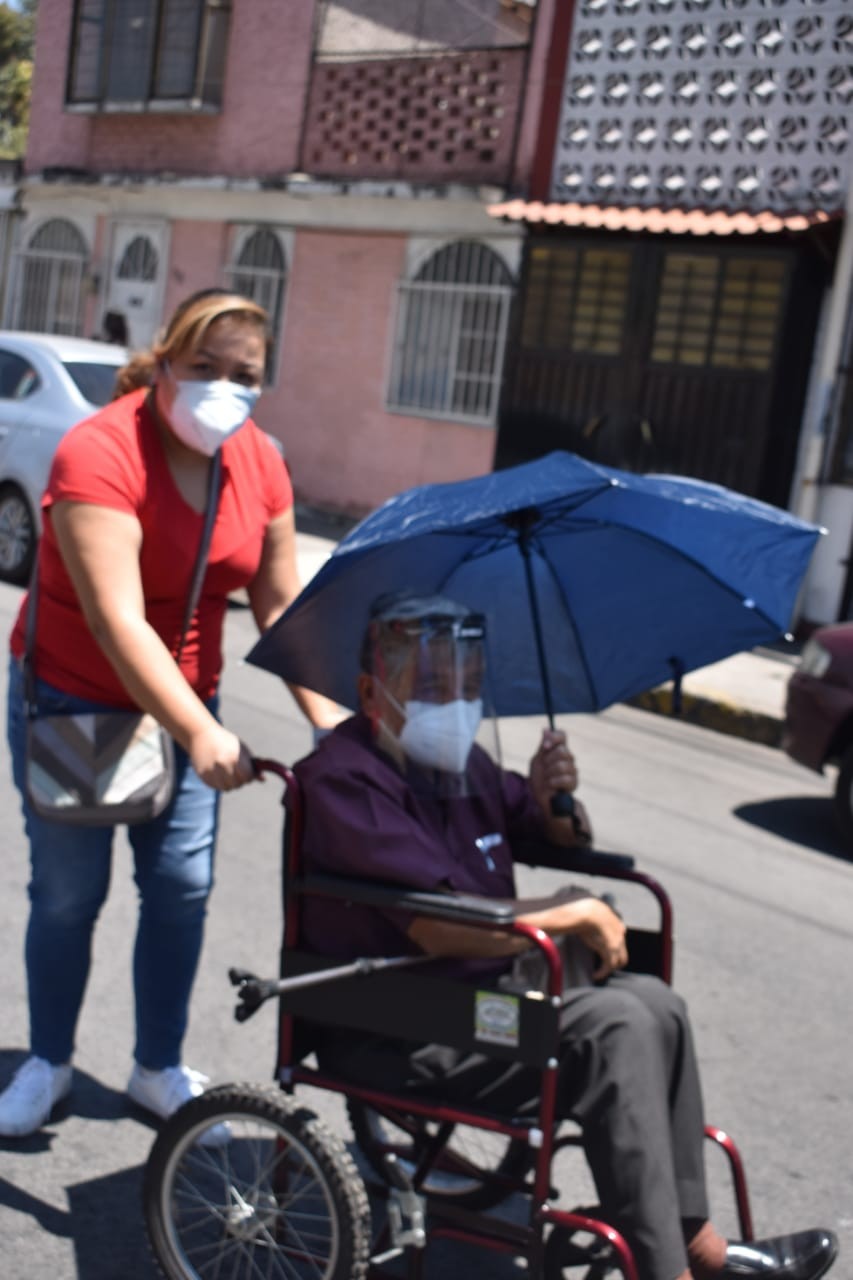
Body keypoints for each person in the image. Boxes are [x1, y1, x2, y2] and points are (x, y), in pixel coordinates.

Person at [293, 591, 838, 1280]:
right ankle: (662, 1268)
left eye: (467, 689)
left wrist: (558, 804)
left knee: (657, 1007)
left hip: (482, 1002)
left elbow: (543, 829)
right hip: (402, 1020)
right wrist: (571, 911)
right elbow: (437, 926)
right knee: (611, 1025)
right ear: (372, 692)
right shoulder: (345, 779)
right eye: (433, 690)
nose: (455, 707)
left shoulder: (462, 768)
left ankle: (694, 1240)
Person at [0, 289, 341, 1138]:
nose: (224, 388)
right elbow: (117, 622)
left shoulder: (259, 460)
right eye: (204, 368)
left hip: (192, 705)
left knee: (183, 889)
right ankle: (48, 1063)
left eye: (245, 375)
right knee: (70, 897)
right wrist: (198, 730)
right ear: (164, 360)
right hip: (75, 697)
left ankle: (156, 1067)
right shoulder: (100, 449)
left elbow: (279, 600)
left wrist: (331, 721)